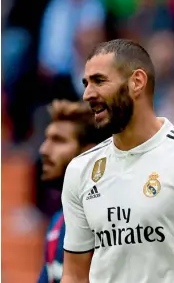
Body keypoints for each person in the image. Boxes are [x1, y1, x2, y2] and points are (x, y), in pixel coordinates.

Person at [61, 39, 174, 283]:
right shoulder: (80, 170)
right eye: (85, 83)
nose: (87, 94)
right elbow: (74, 275)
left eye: (99, 81)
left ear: (136, 82)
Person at [38, 100, 109, 283]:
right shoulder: (58, 223)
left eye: (58, 140)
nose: (44, 150)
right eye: (47, 139)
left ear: (89, 153)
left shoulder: (118, 223)